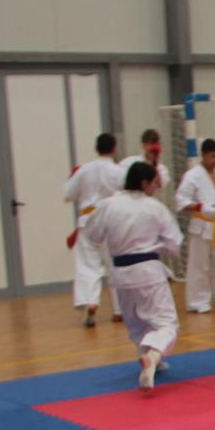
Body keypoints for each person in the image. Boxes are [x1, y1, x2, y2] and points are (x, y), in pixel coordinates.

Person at [83, 161, 183, 390]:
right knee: (166, 323)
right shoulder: (154, 207)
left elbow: (93, 235)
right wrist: (164, 247)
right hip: (148, 270)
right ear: (144, 183)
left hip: (121, 273)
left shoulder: (108, 205)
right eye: (154, 183)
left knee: (137, 323)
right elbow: (174, 242)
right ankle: (154, 356)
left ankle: (149, 360)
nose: (156, 188)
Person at [62, 133, 125, 327]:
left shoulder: (84, 170)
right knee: (114, 265)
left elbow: (67, 194)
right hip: (109, 219)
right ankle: (119, 310)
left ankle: (91, 302)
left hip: (87, 220)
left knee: (88, 265)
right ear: (114, 149)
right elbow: (129, 191)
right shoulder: (118, 171)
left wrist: (73, 176)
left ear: (96, 149)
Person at [175, 138, 215, 314]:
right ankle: (198, 301)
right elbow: (181, 199)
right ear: (203, 155)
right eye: (212, 156)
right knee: (199, 265)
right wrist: (198, 207)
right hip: (202, 224)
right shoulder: (192, 175)